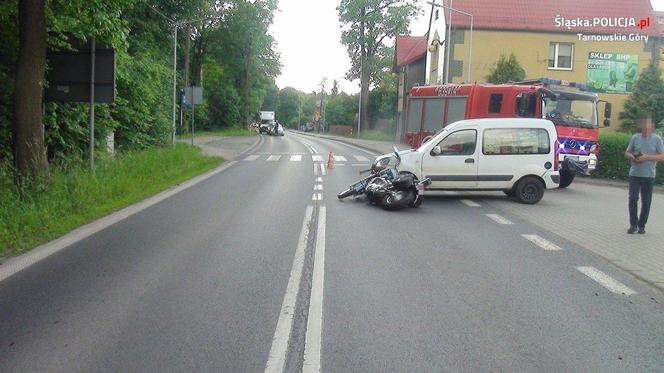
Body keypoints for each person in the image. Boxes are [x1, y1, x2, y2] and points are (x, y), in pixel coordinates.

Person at [624, 116, 664, 234]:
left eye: (648, 127)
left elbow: (662, 156)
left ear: (652, 127)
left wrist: (647, 157)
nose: (646, 129)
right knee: (633, 198)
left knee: (646, 202)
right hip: (635, 174)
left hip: (649, 175)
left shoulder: (657, 139)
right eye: (644, 126)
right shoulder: (635, 138)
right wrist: (632, 157)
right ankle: (633, 224)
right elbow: (627, 152)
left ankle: (642, 225)